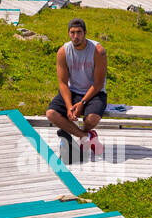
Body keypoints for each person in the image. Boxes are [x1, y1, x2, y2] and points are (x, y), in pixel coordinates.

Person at [46, 18, 108, 163]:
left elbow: (98, 83)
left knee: (92, 118)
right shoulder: (63, 51)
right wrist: (69, 107)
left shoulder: (98, 51)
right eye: (72, 33)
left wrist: (82, 102)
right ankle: (85, 137)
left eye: (79, 32)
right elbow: (62, 82)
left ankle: (83, 133)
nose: (76, 36)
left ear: (85, 33)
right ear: (68, 34)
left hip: (94, 92)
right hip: (73, 90)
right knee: (51, 114)